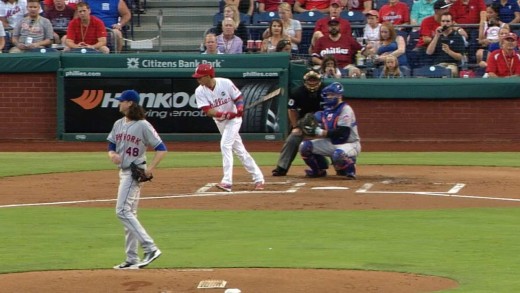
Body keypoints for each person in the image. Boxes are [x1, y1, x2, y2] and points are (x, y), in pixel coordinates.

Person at [107, 89, 167, 270]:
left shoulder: (143, 125)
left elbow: (162, 148)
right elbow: (111, 144)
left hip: (134, 173)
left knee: (122, 211)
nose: (119, 103)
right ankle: (131, 258)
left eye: (122, 101)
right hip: (123, 172)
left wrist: (150, 169)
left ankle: (150, 248)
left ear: (130, 103)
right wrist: (112, 154)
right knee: (130, 214)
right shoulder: (118, 123)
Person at [193, 63, 265, 192]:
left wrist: (240, 108)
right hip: (221, 122)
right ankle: (259, 178)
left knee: (225, 145)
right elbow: (208, 111)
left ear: (209, 76)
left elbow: (238, 98)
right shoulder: (199, 91)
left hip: (234, 120)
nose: (198, 79)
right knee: (240, 151)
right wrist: (224, 114)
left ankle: (227, 181)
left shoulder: (225, 83)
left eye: (200, 77)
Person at [298, 82, 361, 179]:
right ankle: (318, 171)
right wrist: (311, 127)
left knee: (339, 155)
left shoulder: (345, 109)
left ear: (339, 96)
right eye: (328, 95)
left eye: (332, 94)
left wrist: (322, 132)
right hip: (332, 142)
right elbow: (317, 121)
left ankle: (350, 170)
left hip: (350, 143)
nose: (329, 97)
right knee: (305, 147)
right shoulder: (327, 110)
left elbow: (343, 132)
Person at [272, 71, 325, 176]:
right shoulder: (297, 92)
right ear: (305, 81)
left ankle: (341, 166)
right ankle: (282, 167)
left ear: (319, 81)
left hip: (323, 121)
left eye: (314, 80)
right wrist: (296, 126)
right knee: (293, 138)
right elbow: (291, 110)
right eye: (310, 80)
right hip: (303, 122)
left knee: (334, 135)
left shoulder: (326, 91)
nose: (312, 82)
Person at [426, 12, 465, 77]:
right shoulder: (437, 36)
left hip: (452, 65)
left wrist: (449, 51)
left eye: (448, 21)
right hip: (438, 65)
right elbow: (429, 52)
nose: (445, 23)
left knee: (448, 72)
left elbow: (460, 57)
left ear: (452, 22)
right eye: (443, 21)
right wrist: (436, 36)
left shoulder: (457, 36)